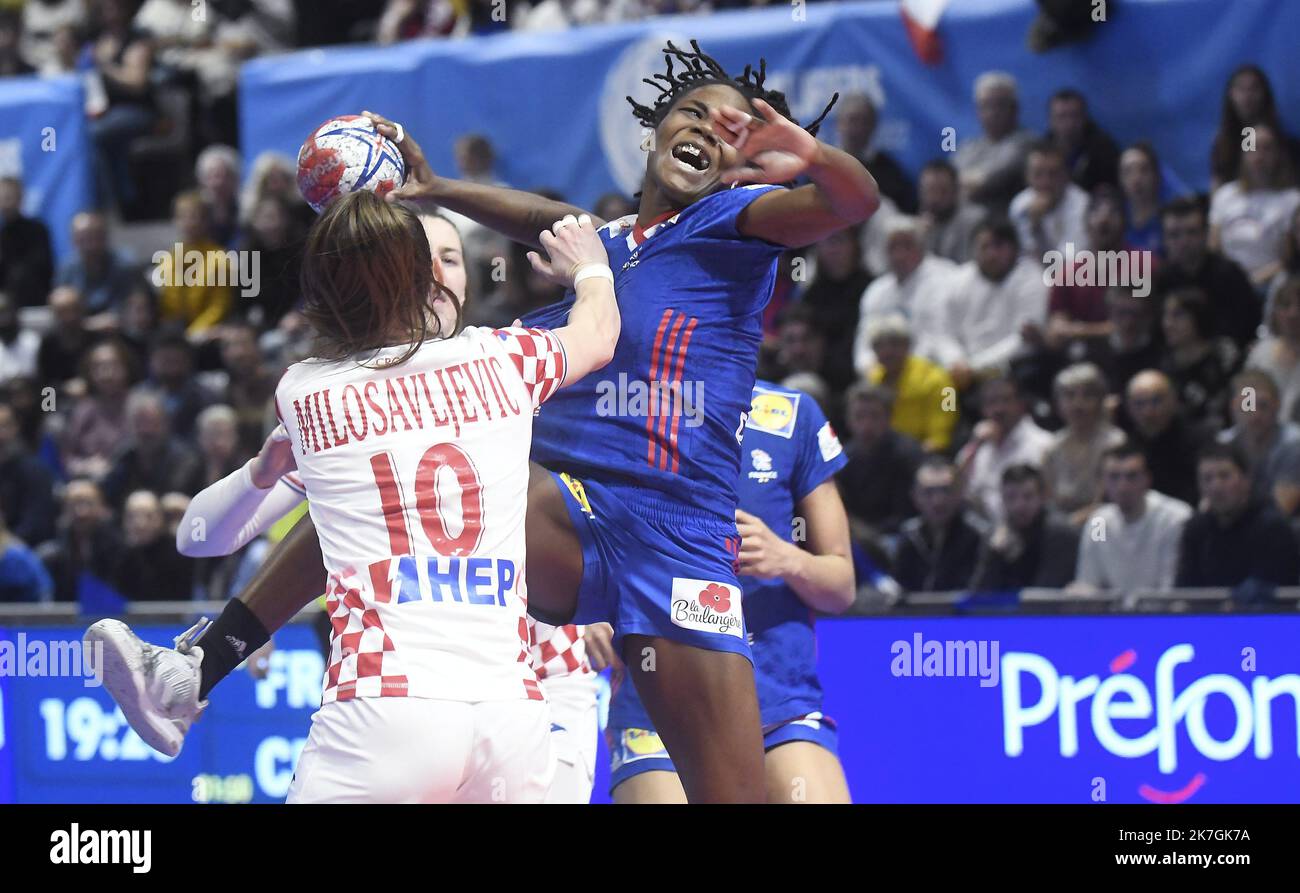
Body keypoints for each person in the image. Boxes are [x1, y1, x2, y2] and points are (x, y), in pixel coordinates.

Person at [87, 189, 622, 803]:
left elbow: (199, 539)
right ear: (412, 277)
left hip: (401, 701)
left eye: (453, 257)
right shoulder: (508, 356)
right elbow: (600, 333)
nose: (441, 274)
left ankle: (193, 670)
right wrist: (591, 264)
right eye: (429, 259)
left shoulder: (307, 391)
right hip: (511, 713)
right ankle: (195, 669)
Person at [603, 379, 855, 803]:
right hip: (656, 706)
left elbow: (842, 588)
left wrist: (788, 559)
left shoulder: (792, 415)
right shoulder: (621, 410)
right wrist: (588, 614)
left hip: (777, 706)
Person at [1069, 442, 1192, 594]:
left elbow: (1170, 587)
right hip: (1112, 615)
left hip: (1161, 614)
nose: (1122, 486)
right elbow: (1089, 583)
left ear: (1147, 479)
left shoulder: (1174, 518)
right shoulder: (1098, 523)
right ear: (1102, 482)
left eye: (1131, 476)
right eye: (1114, 477)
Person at [1175, 443, 1299, 588]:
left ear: (1246, 480)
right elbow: (1184, 589)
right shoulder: (1195, 529)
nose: (1216, 487)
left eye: (1224, 476)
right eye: (1207, 478)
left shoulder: (1273, 527)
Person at [943, 218, 1047, 385]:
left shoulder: (1032, 278)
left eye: (998, 246)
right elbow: (945, 332)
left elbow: (1023, 342)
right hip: (962, 369)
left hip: (1010, 368)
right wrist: (956, 360)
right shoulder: (957, 280)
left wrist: (974, 368)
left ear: (1014, 248)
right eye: (984, 247)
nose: (992, 254)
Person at [852, 216, 960, 374]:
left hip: (934, 371)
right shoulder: (876, 291)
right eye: (893, 248)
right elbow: (864, 347)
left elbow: (941, 337)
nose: (899, 255)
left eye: (906, 246)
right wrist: (871, 370)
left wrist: (908, 372)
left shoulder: (947, 278)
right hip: (886, 375)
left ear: (922, 247)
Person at [1154, 197, 1259, 350]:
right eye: (1174, 235)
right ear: (1164, 239)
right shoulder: (1160, 280)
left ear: (1205, 233)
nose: (1184, 242)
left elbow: (1246, 328)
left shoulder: (1230, 275)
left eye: (1191, 232)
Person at [1209, 123, 1300, 289]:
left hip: (1273, 283)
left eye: (1267, 149)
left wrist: (1253, 281)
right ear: (1243, 153)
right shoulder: (1224, 195)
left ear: (1278, 154)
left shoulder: (1292, 200)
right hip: (1228, 282)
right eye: (1252, 147)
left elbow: (1290, 257)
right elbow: (1214, 247)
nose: (1259, 155)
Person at [957, 373, 1053, 524]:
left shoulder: (1044, 444)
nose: (999, 409)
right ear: (983, 409)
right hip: (986, 534)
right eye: (991, 402)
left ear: (1021, 404)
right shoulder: (977, 448)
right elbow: (956, 491)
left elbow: (1050, 500)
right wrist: (974, 445)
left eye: (1006, 400)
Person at [838, 381, 923, 550]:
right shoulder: (842, 458)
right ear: (848, 419)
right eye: (859, 417)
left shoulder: (908, 454)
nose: (867, 426)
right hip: (858, 538)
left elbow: (912, 513)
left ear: (889, 418)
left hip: (903, 538)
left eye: (875, 416)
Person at [970, 464, 1078, 590]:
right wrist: (994, 555)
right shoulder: (994, 536)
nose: (1019, 505)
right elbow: (978, 596)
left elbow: (1046, 594)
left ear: (1042, 498)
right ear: (1002, 500)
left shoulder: (1060, 533)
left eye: (1028, 496)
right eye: (1011, 497)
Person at [1040, 362, 1124, 523]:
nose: (1078, 404)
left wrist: (1074, 522)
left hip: (1103, 521)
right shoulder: (1052, 446)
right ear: (1058, 403)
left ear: (1100, 400)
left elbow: (1107, 500)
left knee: (1098, 535)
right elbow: (1048, 497)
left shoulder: (1115, 443)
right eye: (1070, 396)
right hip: (1063, 522)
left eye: (1087, 395)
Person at [863, 315, 956, 452]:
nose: (887, 351)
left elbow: (944, 428)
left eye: (894, 344)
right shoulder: (872, 380)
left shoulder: (941, 380)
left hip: (929, 452)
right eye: (879, 346)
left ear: (907, 345)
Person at [1122, 369, 1213, 506]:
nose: (1148, 412)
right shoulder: (1125, 445)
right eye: (1139, 404)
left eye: (1156, 401)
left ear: (1174, 401)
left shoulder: (1200, 440)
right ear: (1129, 408)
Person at [893, 458, 986, 592]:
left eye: (946, 490)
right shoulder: (910, 535)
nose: (938, 501)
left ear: (960, 493)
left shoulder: (979, 535)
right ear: (915, 497)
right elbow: (898, 588)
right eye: (928, 492)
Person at [1217, 369, 1300, 513]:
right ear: (1233, 407)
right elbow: (1213, 502)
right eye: (1247, 405)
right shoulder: (1223, 444)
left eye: (1263, 405)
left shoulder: (1294, 444)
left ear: (1277, 406)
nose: (1255, 415)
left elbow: (1281, 510)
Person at [954, 71, 1037, 214]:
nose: (993, 112)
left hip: (1002, 227)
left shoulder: (1026, 143)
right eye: (986, 105)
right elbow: (948, 184)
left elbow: (988, 181)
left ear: (1014, 109)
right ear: (977, 111)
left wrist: (962, 183)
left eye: (1000, 105)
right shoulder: (968, 147)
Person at [1209, 65, 1300, 190]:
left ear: (1265, 93)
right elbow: (1218, 182)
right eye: (1241, 89)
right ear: (1231, 94)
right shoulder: (1224, 142)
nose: (1247, 96)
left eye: (1253, 88)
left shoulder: (1284, 142)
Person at [1159, 287, 1237, 429]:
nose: (1167, 324)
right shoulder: (1165, 366)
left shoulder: (1224, 354)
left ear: (1198, 316)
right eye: (1166, 315)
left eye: (1178, 315)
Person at [835, 92, 916, 213]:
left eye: (865, 121)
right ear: (839, 123)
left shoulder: (891, 172)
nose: (858, 128)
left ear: (874, 125)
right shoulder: (821, 166)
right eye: (852, 120)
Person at [1008, 142, 1089, 260]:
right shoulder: (1019, 205)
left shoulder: (1083, 205)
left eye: (1053, 174)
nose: (1045, 182)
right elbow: (1020, 258)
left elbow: (1067, 264)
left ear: (1066, 175)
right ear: (1027, 177)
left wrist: (1036, 229)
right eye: (1038, 174)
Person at [1245, 276, 1300, 421]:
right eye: (1285, 306)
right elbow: (1247, 397)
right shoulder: (1260, 353)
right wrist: (1250, 416)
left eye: (1299, 306)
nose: (1293, 314)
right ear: (1275, 313)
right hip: (1265, 432)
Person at [1044, 88, 1119, 193]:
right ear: (1050, 120)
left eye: (1074, 116)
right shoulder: (1042, 152)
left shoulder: (1104, 151)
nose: (1069, 124)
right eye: (1061, 117)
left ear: (1084, 117)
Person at [0, 176, 54, 309]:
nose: (5, 203)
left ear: (20, 199)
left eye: (9, 198)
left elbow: (41, 267)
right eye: (2, 199)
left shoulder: (37, 229)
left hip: (36, 301)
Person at [918, 159, 985, 265]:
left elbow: (968, 268)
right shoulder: (922, 226)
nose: (935, 198)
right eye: (930, 191)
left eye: (942, 191)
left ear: (956, 190)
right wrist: (920, 239)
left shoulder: (975, 221)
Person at [1119, 143, 1165, 255]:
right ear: (1120, 179)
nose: (1136, 179)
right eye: (1128, 171)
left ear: (1156, 176)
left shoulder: (1168, 221)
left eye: (1143, 170)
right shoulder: (1116, 220)